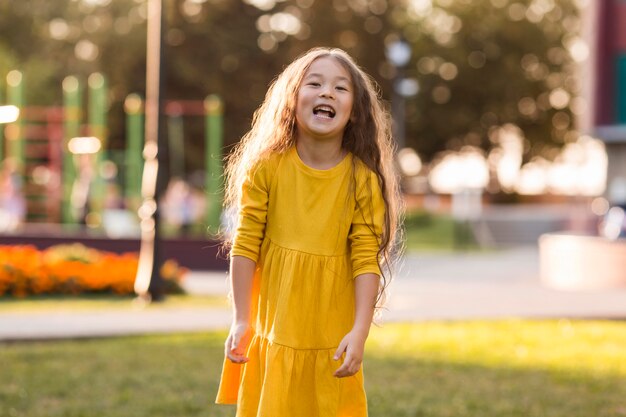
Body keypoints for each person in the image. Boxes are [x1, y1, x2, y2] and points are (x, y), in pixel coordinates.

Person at [215, 47, 402, 417]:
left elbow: (367, 260)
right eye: (314, 83)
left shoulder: (362, 180)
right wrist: (241, 318)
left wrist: (360, 331)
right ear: (291, 101)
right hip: (275, 332)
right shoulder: (266, 168)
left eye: (340, 88)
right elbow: (245, 245)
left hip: (330, 341)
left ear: (355, 112)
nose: (327, 92)